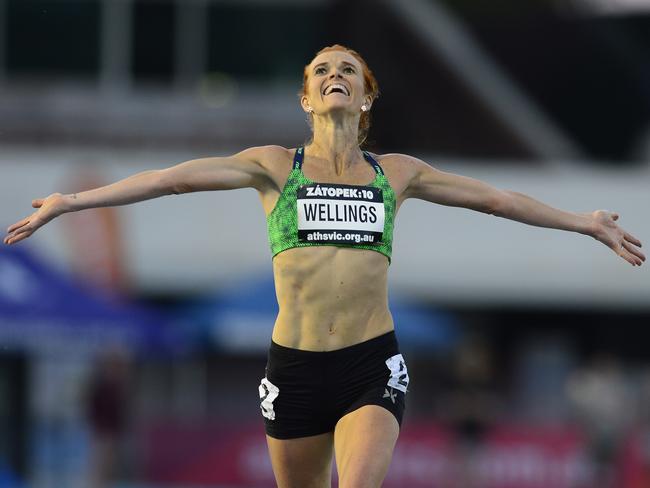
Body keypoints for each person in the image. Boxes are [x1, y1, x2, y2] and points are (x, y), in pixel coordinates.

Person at [3, 44, 645, 488]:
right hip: (295, 367)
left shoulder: (395, 173)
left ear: (366, 99)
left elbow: (494, 198)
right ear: (307, 98)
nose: (335, 75)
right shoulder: (273, 166)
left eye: (348, 70)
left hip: (372, 363)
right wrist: (72, 201)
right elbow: (172, 180)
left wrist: (582, 222)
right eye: (321, 71)